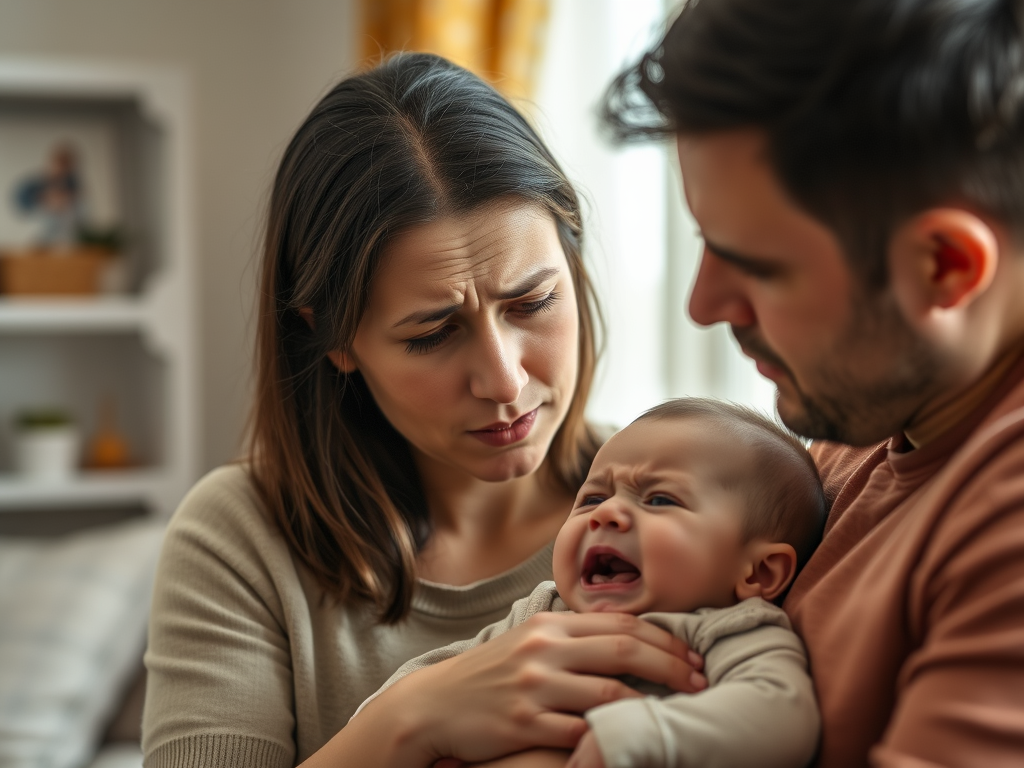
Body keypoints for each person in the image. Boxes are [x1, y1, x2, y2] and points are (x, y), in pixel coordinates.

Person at [141, 53, 706, 768]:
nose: (503, 380)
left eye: (532, 303)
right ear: (335, 338)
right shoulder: (241, 538)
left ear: (576, 265)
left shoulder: (691, 496)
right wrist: (411, 720)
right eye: (433, 333)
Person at [601, 0, 1024, 766]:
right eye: (703, 239)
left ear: (945, 268)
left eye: (756, 264)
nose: (703, 305)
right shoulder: (860, 428)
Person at [356, 398, 825, 768]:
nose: (607, 514)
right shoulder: (542, 614)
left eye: (660, 500)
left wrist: (645, 735)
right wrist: (388, 723)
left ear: (758, 573)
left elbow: (782, 717)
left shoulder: (728, 630)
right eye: (592, 498)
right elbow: (421, 690)